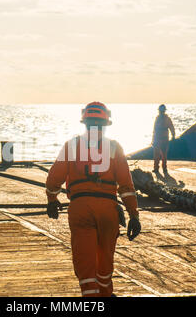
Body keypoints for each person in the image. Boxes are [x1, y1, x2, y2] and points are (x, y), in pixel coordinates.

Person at [45, 102, 141, 297]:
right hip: (108, 210)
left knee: (85, 259)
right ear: (106, 124)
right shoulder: (115, 147)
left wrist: (52, 199)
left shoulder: (72, 145)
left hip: (80, 209)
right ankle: (105, 293)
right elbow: (126, 186)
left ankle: (90, 298)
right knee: (105, 259)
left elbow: (54, 179)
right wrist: (134, 215)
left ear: (85, 123)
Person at [152, 104, 175, 175]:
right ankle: (157, 169)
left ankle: (163, 169)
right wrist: (153, 139)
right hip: (159, 139)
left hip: (163, 139)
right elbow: (154, 130)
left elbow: (171, 127)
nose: (161, 112)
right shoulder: (159, 118)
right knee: (158, 155)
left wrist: (173, 135)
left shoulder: (166, 119)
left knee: (163, 155)